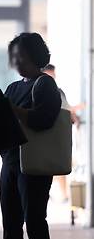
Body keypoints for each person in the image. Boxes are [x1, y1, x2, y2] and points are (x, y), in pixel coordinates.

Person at [0, 33, 61, 239]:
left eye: (21, 55)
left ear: (35, 56)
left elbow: (43, 119)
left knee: (34, 222)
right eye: (14, 56)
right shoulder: (13, 88)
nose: (16, 61)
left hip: (33, 165)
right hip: (11, 162)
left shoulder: (45, 85)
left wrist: (12, 110)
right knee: (10, 225)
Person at [43, 64, 80, 203]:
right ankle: (60, 195)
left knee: (57, 168)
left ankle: (62, 195)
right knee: (53, 168)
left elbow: (66, 110)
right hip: (52, 137)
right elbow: (66, 111)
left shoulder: (58, 91)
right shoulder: (55, 91)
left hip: (56, 137)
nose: (52, 78)